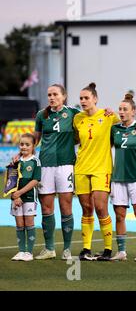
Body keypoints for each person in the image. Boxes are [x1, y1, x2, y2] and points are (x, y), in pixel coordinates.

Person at [73, 82, 120, 261]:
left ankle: (108, 249)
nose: (83, 101)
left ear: (95, 99)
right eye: (81, 98)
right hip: (81, 168)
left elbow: (126, 122)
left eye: (86, 98)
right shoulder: (77, 118)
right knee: (86, 208)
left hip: (102, 168)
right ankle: (86, 249)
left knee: (101, 207)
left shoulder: (108, 116)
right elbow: (76, 139)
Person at [33, 84, 78, 261]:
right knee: (46, 207)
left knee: (66, 206)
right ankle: (49, 248)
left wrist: (107, 112)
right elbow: (35, 140)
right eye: (49, 94)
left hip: (66, 165)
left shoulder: (74, 113)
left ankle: (67, 248)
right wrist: (21, 154)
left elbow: (91, 119)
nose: (52, 97)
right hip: (45, 165)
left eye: (55, 94)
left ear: (64, 96)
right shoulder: (41, 115)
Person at [110, 93, 136, 262]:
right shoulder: (115, 129)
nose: (122, 112)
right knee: (119, 215)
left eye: (125, 109)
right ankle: (121, 251)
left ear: (133, 111)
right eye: (120, 109)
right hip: (118, 178)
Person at [10, 133, 41, 261]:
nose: (24, 147)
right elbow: (11, 180)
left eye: (27, 144)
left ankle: (29, 252)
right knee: (19, 223)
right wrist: (15, 196)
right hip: (16, 197)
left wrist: (20, 193)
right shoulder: (15, 161)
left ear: (33, 146)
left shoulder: (35, 161)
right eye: (21, 144)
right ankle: (21, 251)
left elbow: (35, 180)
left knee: (29, 222)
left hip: (28, 197)